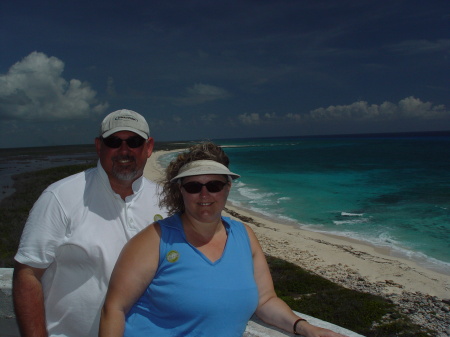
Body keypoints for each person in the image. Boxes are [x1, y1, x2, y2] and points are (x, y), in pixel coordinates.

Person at [99, 142, 348, 337]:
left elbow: (265, 300)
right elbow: (114, 309)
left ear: (228, 188)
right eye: (194, 186)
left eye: (215, 185)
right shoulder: (155, 239)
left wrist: (303, 327)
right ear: (181, 191)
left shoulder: (244, 236)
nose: (204, 194)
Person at [13, 109, 166, 337]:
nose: (124, 150)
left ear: (149, 147)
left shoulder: (166, 201)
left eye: (134, 141)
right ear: (99, 146)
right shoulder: (60, 197)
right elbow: (28, 275)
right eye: (114, 141)